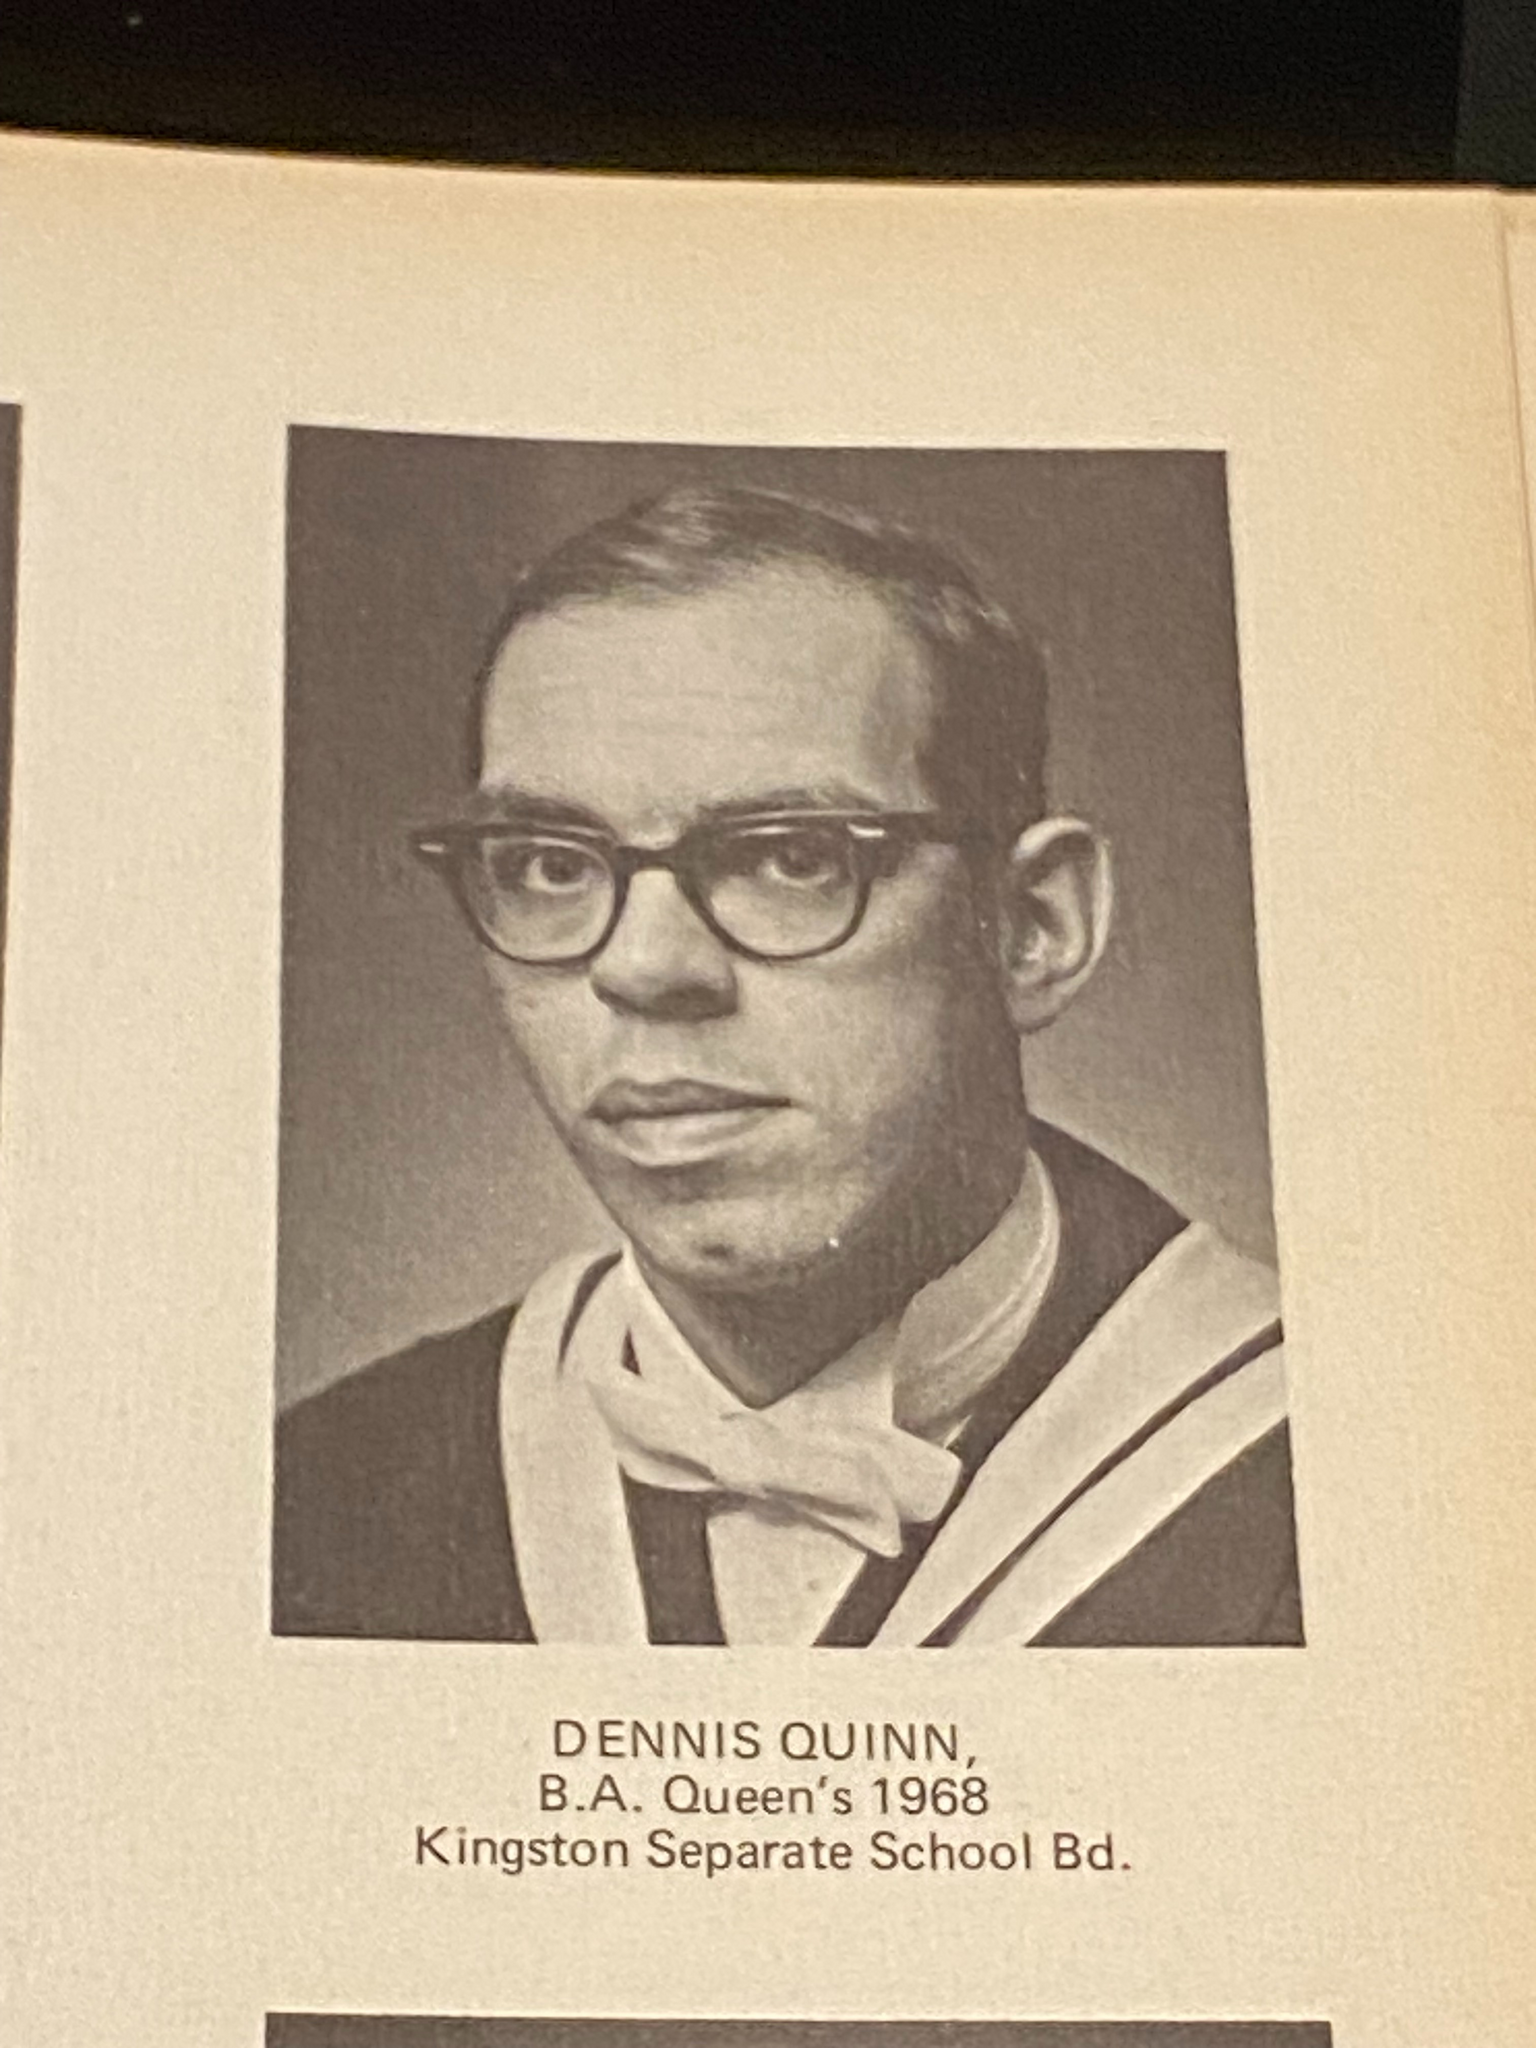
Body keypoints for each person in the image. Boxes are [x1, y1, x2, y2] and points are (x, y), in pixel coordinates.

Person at [272, 481, 1301, 1648]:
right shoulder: (317, 1499)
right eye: (551, 864)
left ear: (1031, 926)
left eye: (792, 854)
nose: (646, 966)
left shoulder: (1349, 1478)